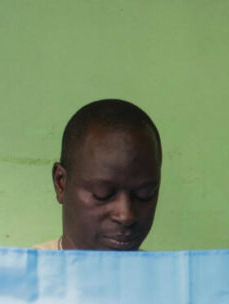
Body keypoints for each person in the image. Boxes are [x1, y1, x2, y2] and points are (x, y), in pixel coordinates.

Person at [33, 99, 162, 251]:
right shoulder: (26, 274)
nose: (126, 215)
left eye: (144, 194)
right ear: (61, 183)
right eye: (103, 194)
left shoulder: (167, 274)